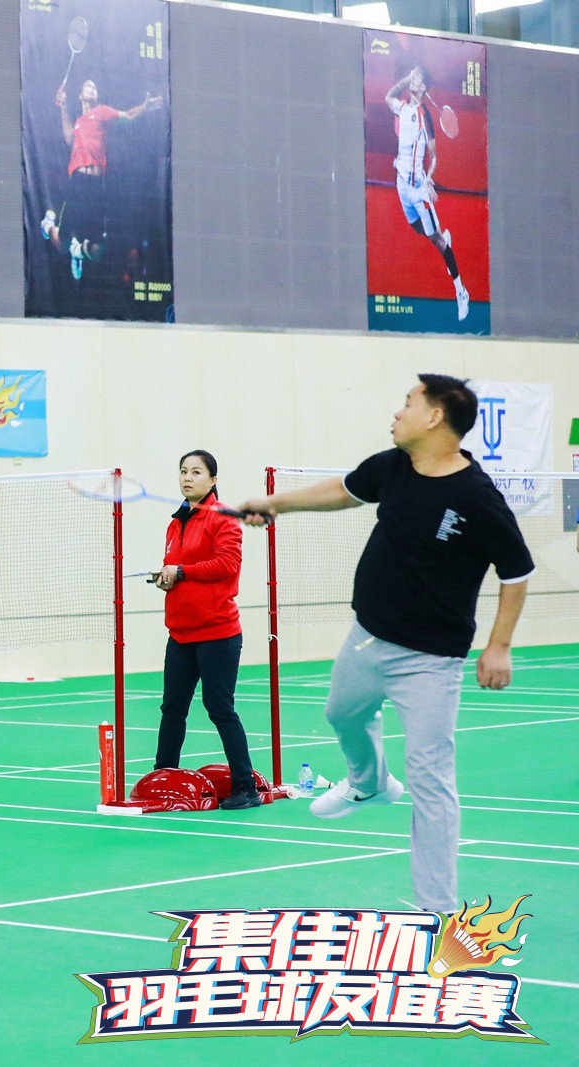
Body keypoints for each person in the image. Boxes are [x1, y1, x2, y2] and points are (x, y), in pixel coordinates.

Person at [238, 375, 532, 913]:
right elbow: (344, 490)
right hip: (366, 637)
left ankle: (437, 909)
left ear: (435, 417)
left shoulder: (476, 497)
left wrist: (500, 646)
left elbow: (516, 572)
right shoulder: (394, 466)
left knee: (431, 779)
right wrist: (276, 504)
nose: (397, 413)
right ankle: (369, 782)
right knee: (341, 714)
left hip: (430, 661)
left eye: (408, 403)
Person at [150, 450, 258, 810]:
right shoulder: (175, 522)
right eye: (183, 471)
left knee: (220, 708)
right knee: (172, 708)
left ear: (213, 479)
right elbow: (177, 568)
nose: (187, 477)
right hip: (181, 633)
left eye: (196, 472)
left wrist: (181, 571)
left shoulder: (222, 517)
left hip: (218, 633)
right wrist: (167, 578)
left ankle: (245, 787)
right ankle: (162, 779)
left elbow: (226, 564)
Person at [41, 78, 161, 281]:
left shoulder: (102, 112)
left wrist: (145, 107)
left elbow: (128, 115)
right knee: (61, 246)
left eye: (95, 86)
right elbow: (68, 137)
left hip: (97, 188)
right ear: (81, 96)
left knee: (98, 251)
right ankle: (48, 225)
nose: (92, 88)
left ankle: (77, 252)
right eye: (88, 85)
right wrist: (63, 106)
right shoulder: (78, 122)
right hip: (77, 184)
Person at [385, 65, 470, 322]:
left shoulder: (426, 117)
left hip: (419, 189)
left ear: (423, 87)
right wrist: (406, 79)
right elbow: (389, 97)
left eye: (417, 77)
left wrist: (429, 178)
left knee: (438, 241)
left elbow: (433, 157)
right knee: (416, 228)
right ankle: (438, 233)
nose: (413, 79)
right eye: (412, 76)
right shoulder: (402, 108)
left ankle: (461, 290)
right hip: (401, 183)